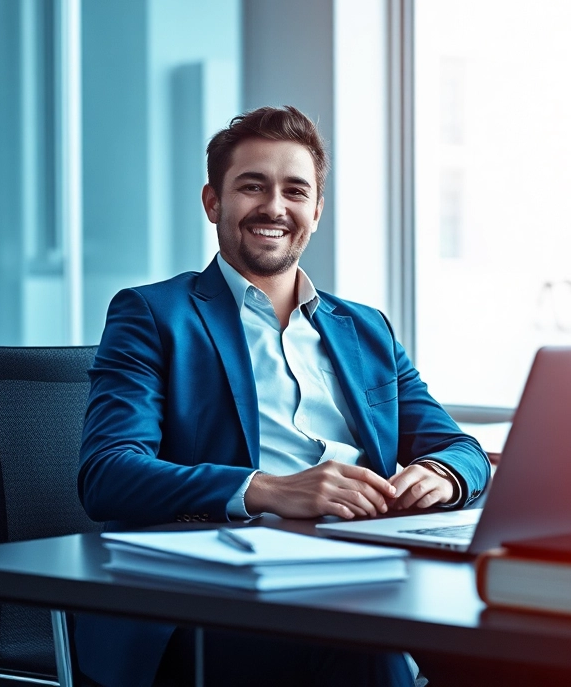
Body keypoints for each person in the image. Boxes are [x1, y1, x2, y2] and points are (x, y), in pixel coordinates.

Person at [76, 105, 490, 687]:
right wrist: (269, 491)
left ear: (316, 211)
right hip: (224, 591)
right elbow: (108, 474)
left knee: (526, 641)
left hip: (370, 566)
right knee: (364, 650)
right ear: (213, 202)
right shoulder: (152, 315)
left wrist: (442, 474)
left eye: (295, 191)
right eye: (252, 187)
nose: (274, 207)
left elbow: (460, 447)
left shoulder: (365, 327)